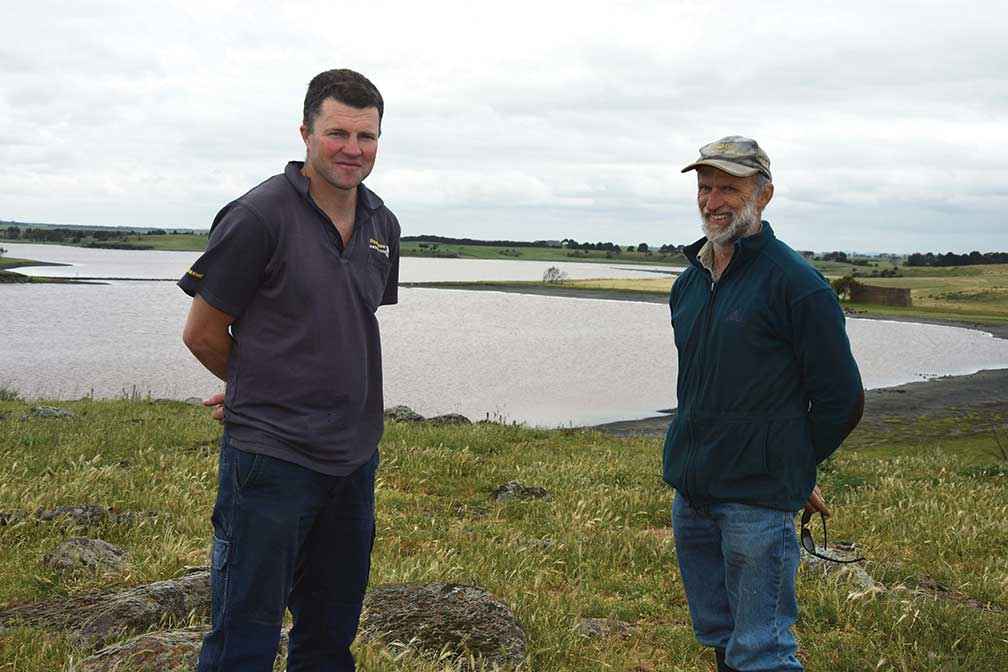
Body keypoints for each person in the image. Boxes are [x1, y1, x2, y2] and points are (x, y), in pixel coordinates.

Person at [179, 68, 400, 671]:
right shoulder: (258, 216)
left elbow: (344, 326)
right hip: (270, 459)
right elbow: (202, 332)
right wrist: (253, 391)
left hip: (353, 459)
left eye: (367, 136)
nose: (353, 150)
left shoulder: (382, 224)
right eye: (338, 133)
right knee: (243, 635)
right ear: (305, 132)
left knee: (329, 635)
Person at [664, 136, 863, 672]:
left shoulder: (797, 286)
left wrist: (792, 467)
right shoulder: (689, 283)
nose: (712, 201)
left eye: (729, 187)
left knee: (763, 650)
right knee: (721, 638)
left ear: (765, 194)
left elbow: (842, 400)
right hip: (694, 493)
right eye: (705, 187)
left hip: (756, 500)